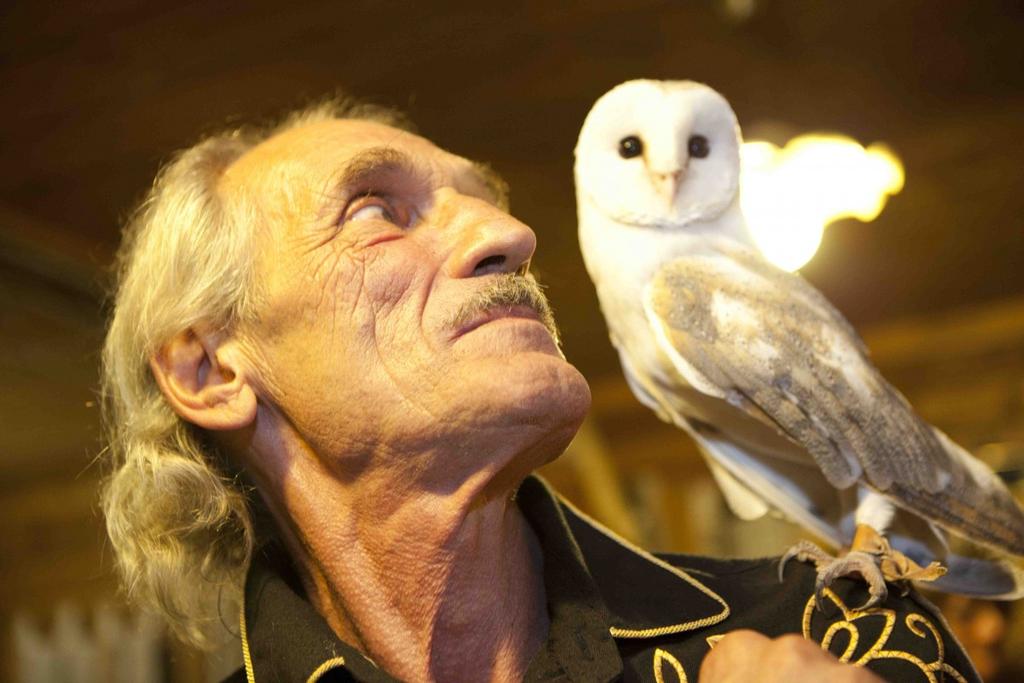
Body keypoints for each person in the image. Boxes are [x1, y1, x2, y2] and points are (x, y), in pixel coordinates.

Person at [100, 100, 979, 682]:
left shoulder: (835, 627)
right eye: (375, 209)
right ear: (210, 369)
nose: (512, 234)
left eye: (489, 201)